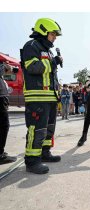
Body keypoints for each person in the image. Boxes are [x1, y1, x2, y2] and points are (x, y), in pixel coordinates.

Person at [20, 18, 63, 174]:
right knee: (36, 130)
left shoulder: (49, 51)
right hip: (37, 97)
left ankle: (44, 153)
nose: (55, 37)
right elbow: (32, 67)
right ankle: (32, 161)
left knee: (48, 129)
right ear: (44, 31)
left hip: (50, 98)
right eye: (53, 34)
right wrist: (53, 63)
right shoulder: (31, 46)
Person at [0, 62, 17, 164]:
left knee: (2, 127)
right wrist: (5, 66)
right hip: (0, 103)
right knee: (4, 126)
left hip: (2, 102)